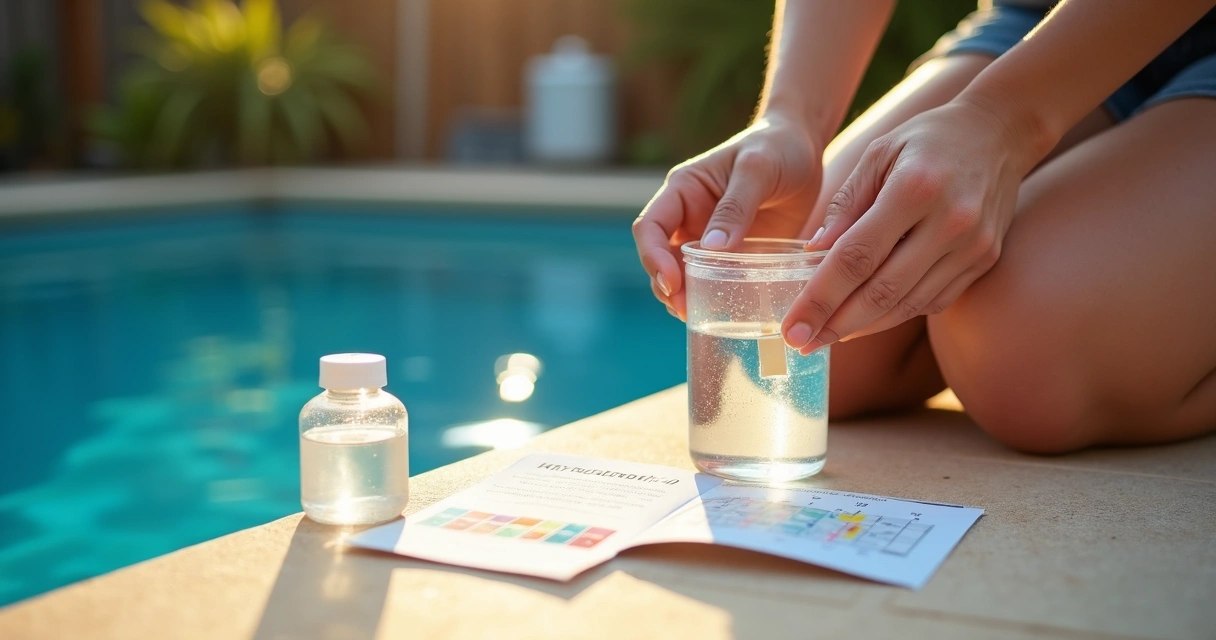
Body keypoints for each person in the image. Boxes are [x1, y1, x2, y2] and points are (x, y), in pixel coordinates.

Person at [633, 0, 1216, 454]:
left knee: (1027, 358)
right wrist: (792, 118)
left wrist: (1003, 121)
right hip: (1040, 21)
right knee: (810, 324)